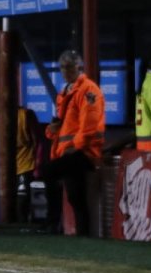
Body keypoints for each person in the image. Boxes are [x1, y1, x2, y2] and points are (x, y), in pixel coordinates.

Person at [42, 50, 105, 236]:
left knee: (49, 172)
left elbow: (89, 125)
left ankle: (52, 222)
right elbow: (65, 125)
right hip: (71, 151)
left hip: (83, 152)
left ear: (79, 66)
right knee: (75, 195)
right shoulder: (67, 92)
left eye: (68, 67)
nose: (64, 71)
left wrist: (73, 147)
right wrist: (52, 131)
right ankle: (81, 232)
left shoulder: (88, 90)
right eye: (62, 67)